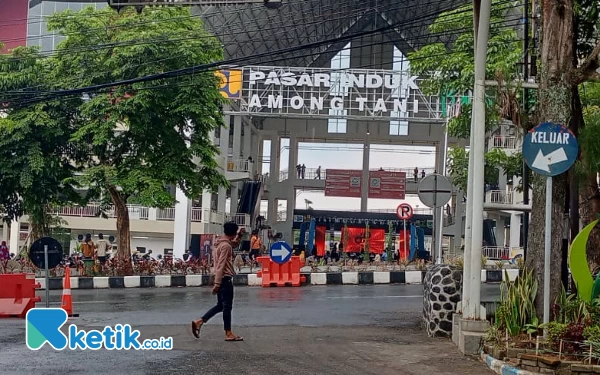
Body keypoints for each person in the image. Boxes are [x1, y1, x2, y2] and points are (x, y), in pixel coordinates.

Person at [192, 222, 245, 342]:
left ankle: (199, 321)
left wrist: (239, 235)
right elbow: (221, 264)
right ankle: (228, 333)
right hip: (224, 279)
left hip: (220, 277)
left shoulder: (220, 242)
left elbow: (234, 244)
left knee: (221, 305)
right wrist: (217, 283)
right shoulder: (226, 246)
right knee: (227, 307)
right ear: (233, 233)